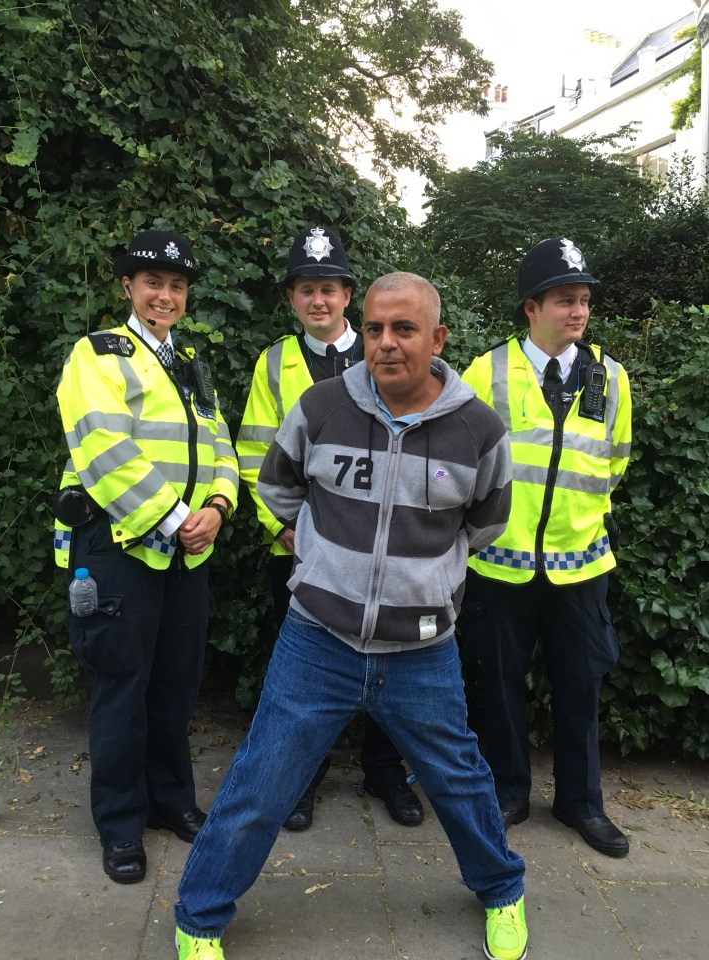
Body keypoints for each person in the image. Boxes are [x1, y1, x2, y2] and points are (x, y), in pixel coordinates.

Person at [173, 272, 528, 960]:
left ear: (438, 337)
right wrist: (306, 546)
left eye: (403, 329)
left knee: (460, 781)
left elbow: (486, 523)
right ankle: (199, 917)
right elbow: (277, 485)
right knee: (260, 781)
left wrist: (425, 576)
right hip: (318, 640)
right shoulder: (321, 405)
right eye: (373, 329)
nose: (386, 344)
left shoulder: (479, 429)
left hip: (422, 648)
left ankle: (503, 892)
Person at [54, 230, 239, 884]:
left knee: (174, 686)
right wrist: (176, 516)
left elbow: (221, 445)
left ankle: (170, 802)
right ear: (128, 287)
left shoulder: (189, 360)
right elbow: (104, 450)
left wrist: (217, 507)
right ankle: (121, 824)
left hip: (188, 552)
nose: (166, 295)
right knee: (122, 687)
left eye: (178, 286)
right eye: (153, 283)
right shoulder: (97, 355)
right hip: (121, 547)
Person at [236, 226, 423, 830]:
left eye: (330, 289)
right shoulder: (274, 365)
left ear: (349, 295)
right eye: (306, 290)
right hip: (299, 549)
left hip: (384, 545)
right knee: (304, 674)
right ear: (293, 299)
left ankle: (385, 771)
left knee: (392, 660)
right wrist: (285, 529)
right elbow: (253, 457)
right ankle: (302, 779)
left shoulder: (382, 351)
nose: (319, 300)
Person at [461, 237, 632, 858]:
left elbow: (613, 463)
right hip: (501, 563)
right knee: (501, 684)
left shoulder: (610, 377)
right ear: (531, 307)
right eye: (565, 300)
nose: (578, 312)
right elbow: (464, 463)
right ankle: (508, 791)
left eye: (584, 300)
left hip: (580, 564)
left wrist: (579, 522)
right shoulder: (487, 371)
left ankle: (581, 802)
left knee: (581, 684)